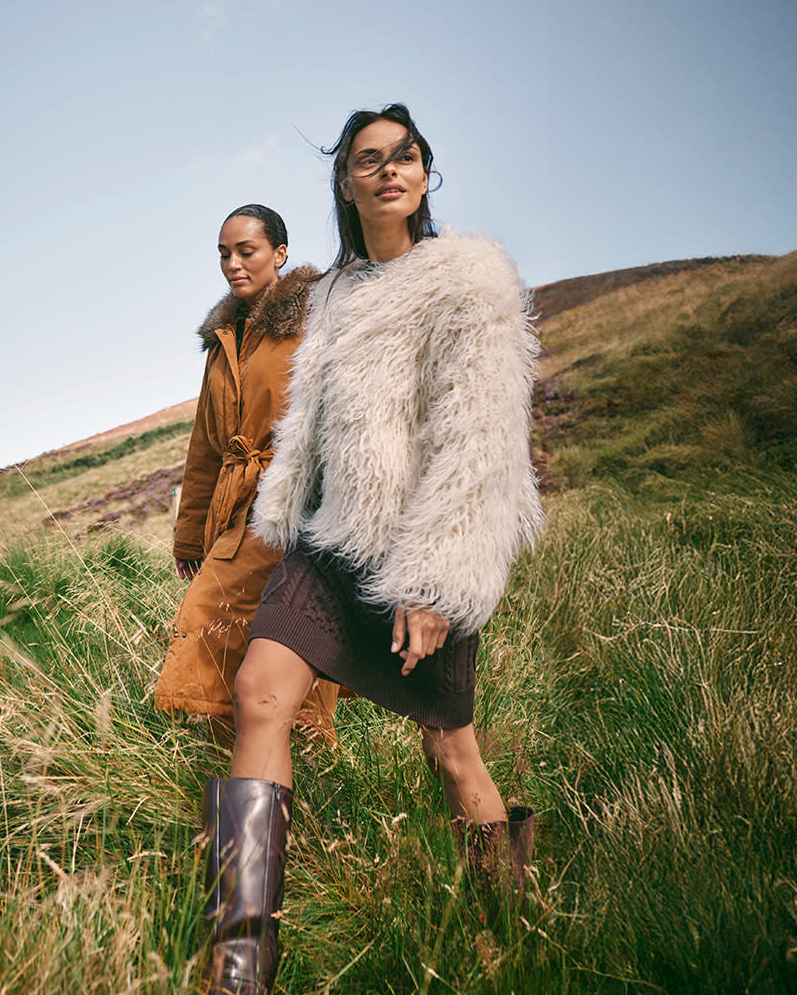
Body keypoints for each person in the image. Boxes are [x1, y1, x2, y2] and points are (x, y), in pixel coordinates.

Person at [200, 106, 544, 995]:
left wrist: (434, 581)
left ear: (425, 174)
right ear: (346, 182)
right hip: (330, 544)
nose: (391, 169)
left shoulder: (468, 280)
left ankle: (512, 927)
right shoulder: (338, 294)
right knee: (258, 692)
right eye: (369, 160)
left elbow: (481, 441)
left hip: (421, 551)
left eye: (407, 156)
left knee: (452, 751)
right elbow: (311, 429)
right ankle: (241, 960)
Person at [154, 204, 340, 740]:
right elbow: (204, 449)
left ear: (279, 254)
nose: (233, 263)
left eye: (246, 250)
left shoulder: (312, 322)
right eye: (223, 253)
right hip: (230, 518)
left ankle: (287, 807)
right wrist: (190, 536)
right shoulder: (221, 344)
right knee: (221, 655)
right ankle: (235, 810)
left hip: (295, 509)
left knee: (279, 658)